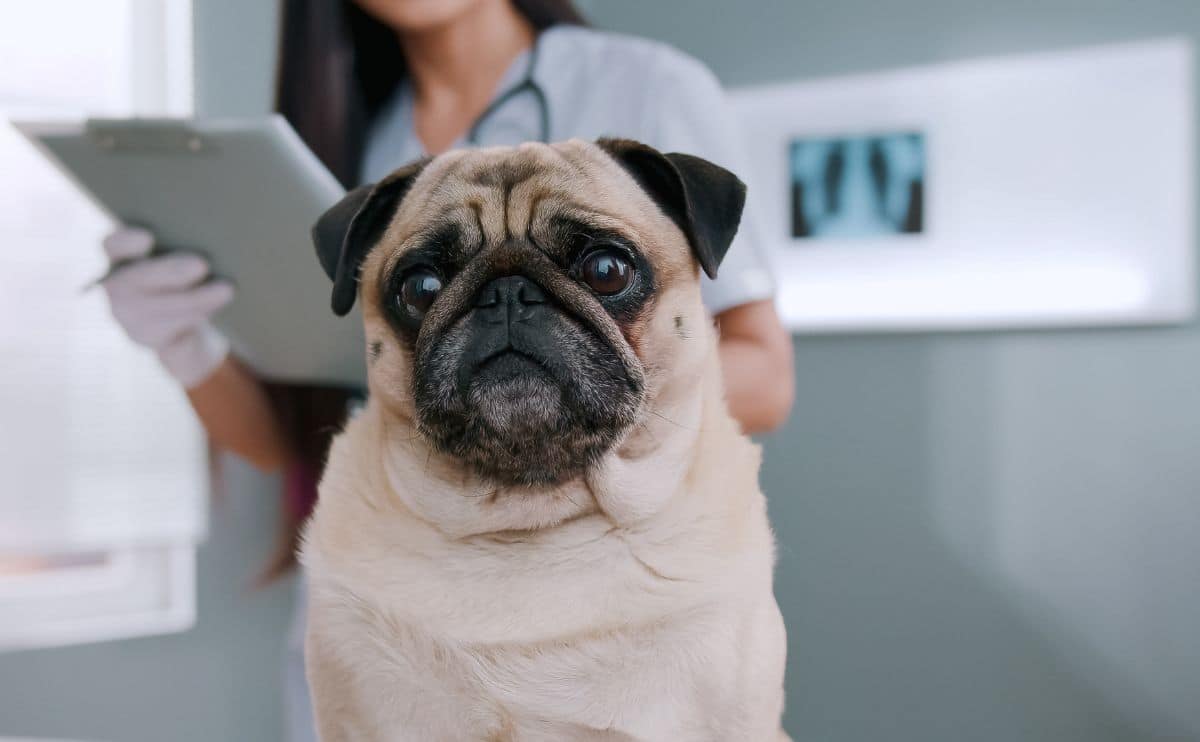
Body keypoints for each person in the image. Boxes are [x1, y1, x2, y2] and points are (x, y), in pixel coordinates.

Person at [100, 0, 794, 737]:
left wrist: (601, 394)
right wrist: (188, 346)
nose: (508, 310)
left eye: (602, 270)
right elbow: (288, 440)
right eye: (426, 289)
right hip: (392, 638)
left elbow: (767, 374)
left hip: (634, 623)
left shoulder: (648, 85)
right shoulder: (336, 135)